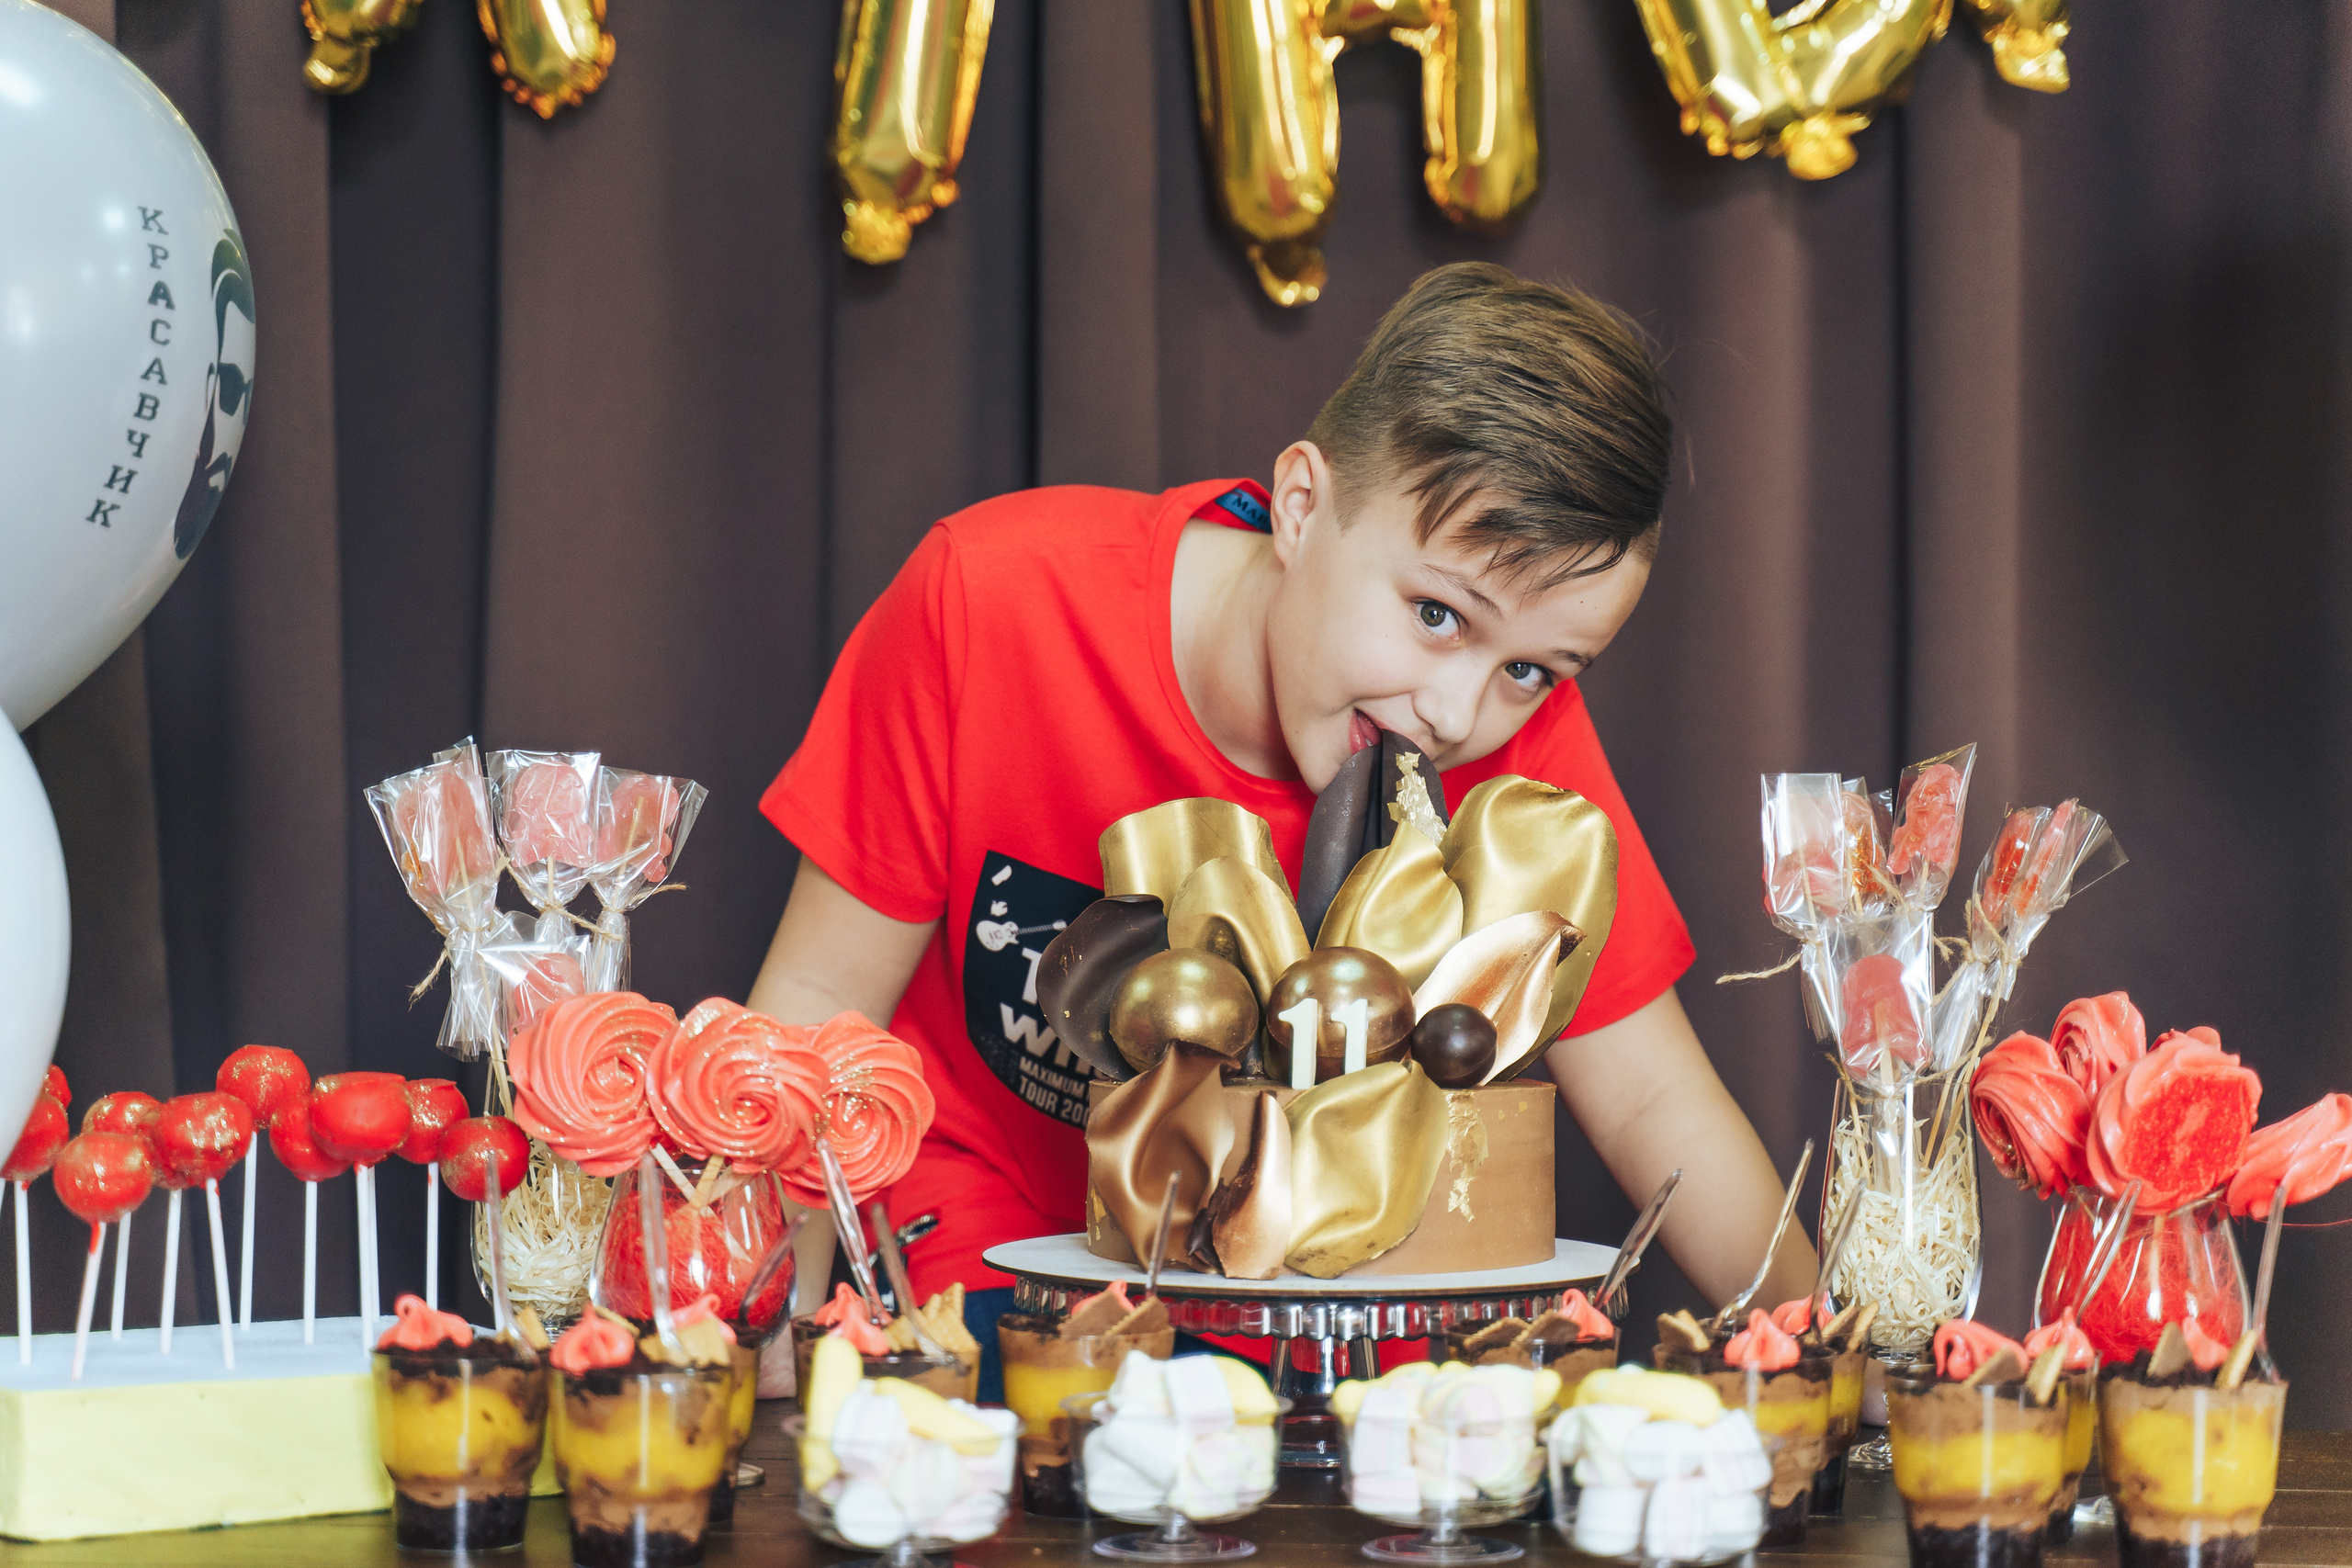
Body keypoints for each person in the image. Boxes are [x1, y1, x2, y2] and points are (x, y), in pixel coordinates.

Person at [750, 263, 1817, 1395]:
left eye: (1530, 669)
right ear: (1302, 506)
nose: (1454, 713)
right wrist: (769, 1327)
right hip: (1001, 1255)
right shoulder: (992, 599)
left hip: (1336, 1302)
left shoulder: (1509, 747)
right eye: (1435, 614)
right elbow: (815, 1013)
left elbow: (1655, 1098)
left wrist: (1840, 1362)